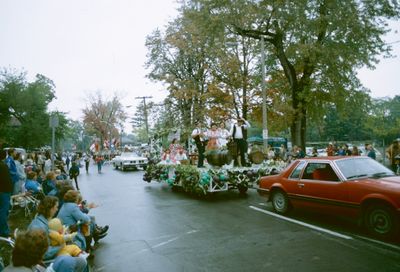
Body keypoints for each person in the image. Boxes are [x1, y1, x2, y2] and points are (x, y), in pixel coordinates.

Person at [28, 196, 88, 272]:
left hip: (47, 257)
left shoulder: (40, 220)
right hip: (47, 261)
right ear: (50, 208)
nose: (57, 209)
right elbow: (44, 253)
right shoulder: (39, 227)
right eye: (56, 207)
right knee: (82, 261)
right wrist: (61, 245)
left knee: (76, 249)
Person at [57, 190, 108, 254]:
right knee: (88, 223)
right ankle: (88, 247)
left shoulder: (66, 205)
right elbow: (85, 219)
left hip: (65, 228)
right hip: (70, 230)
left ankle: (96, 235)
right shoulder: (72, 206)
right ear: (75, 199)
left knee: (89, 220)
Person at [0, 150, 13, 238]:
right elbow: (7, 180)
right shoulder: (3, 166)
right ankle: (4, 231)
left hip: (3, 190)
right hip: (4, 191)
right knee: (3, 211)